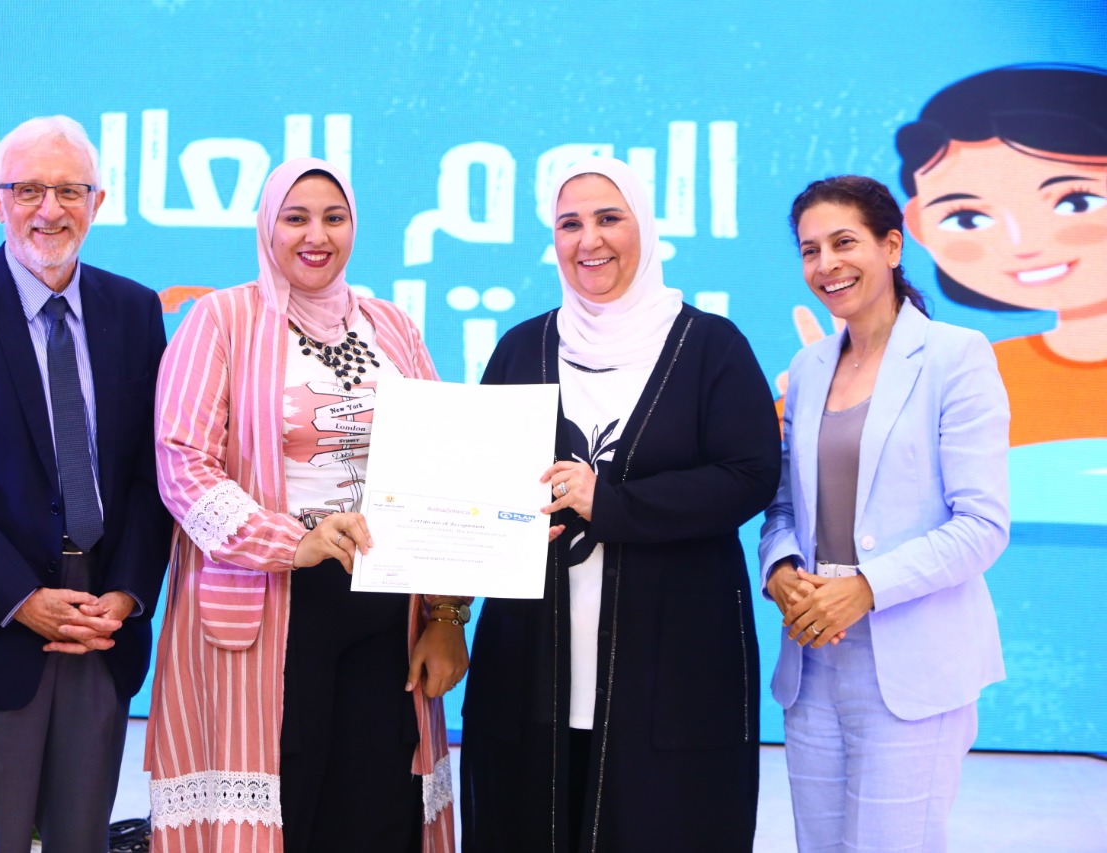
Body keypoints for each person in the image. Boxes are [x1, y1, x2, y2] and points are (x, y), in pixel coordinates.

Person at [460, 156, 782, 852]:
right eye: (569, 224)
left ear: (646, 228)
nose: (589, 240)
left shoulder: (710, 346)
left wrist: (610, 502)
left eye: (609, 218)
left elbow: (751, 474)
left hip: (671, 671)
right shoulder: (521, 348)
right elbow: (477, 484)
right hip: (532, 663)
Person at [147, 157, 465, 852]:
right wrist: (295, 541)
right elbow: (183, 466)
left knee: (380, 809)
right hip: (268, 606)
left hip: (386, 609)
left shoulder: (392, 326)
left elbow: (441, 462)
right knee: (282, 813)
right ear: (268, 226)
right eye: (296, 218)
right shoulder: (220, 320)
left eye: (333, 217)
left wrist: (446, 613)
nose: (316, 235)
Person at [0, 115, 172, 852]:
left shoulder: (136, 310)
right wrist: (22, 599)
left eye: (70, 190)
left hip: (101, 626)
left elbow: (153, 475)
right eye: (29, 190)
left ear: (98, 201)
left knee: (83, 841)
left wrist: (127, 594)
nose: (51, 209)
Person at [761, 175, 1010, 852]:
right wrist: (780, 569)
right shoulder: (807, 367)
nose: (827, 264)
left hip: (914, 659)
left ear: (892, 246)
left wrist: (867, 587)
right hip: (813, 656)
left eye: (845, 242)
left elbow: (982, 524)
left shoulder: (957, 356)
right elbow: (783, 504)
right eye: (810, 250)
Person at [897, 63, 1107, 446]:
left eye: (1076, 201)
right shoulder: (972, 377)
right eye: (967, 219)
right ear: (919, 226)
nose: (1024, 243)